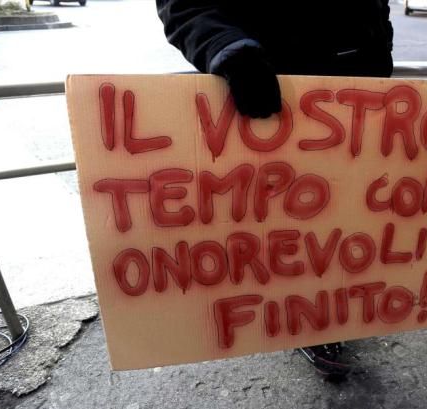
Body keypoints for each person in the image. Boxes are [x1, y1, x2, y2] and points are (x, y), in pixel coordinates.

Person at [155, 0, 394, 376]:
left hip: (362, 87)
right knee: (290, 223)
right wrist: (226, 47)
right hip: (269, 88)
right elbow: (183, 5)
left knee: (346, 216)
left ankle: (337, 301)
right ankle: (307, 316)